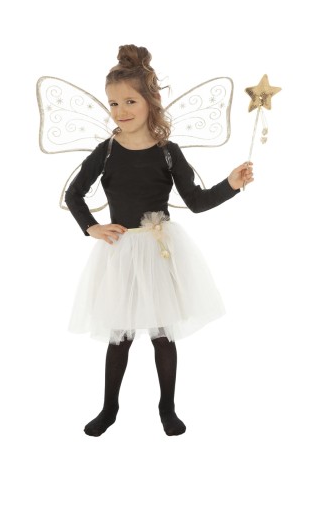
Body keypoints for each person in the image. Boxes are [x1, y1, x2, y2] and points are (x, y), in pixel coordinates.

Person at [64, 44, 254, 437]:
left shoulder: (168, 153)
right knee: (120, 336)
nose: (120, 111)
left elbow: (196, 201)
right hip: (120, 252)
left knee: (163, 335)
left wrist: (231, 184)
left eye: (130, 101)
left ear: (151, 102)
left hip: (158, 251)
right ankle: (109, 408)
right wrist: (92, 227)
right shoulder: (106, 151)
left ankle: (167, 407)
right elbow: (74, 193)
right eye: (113, 103)